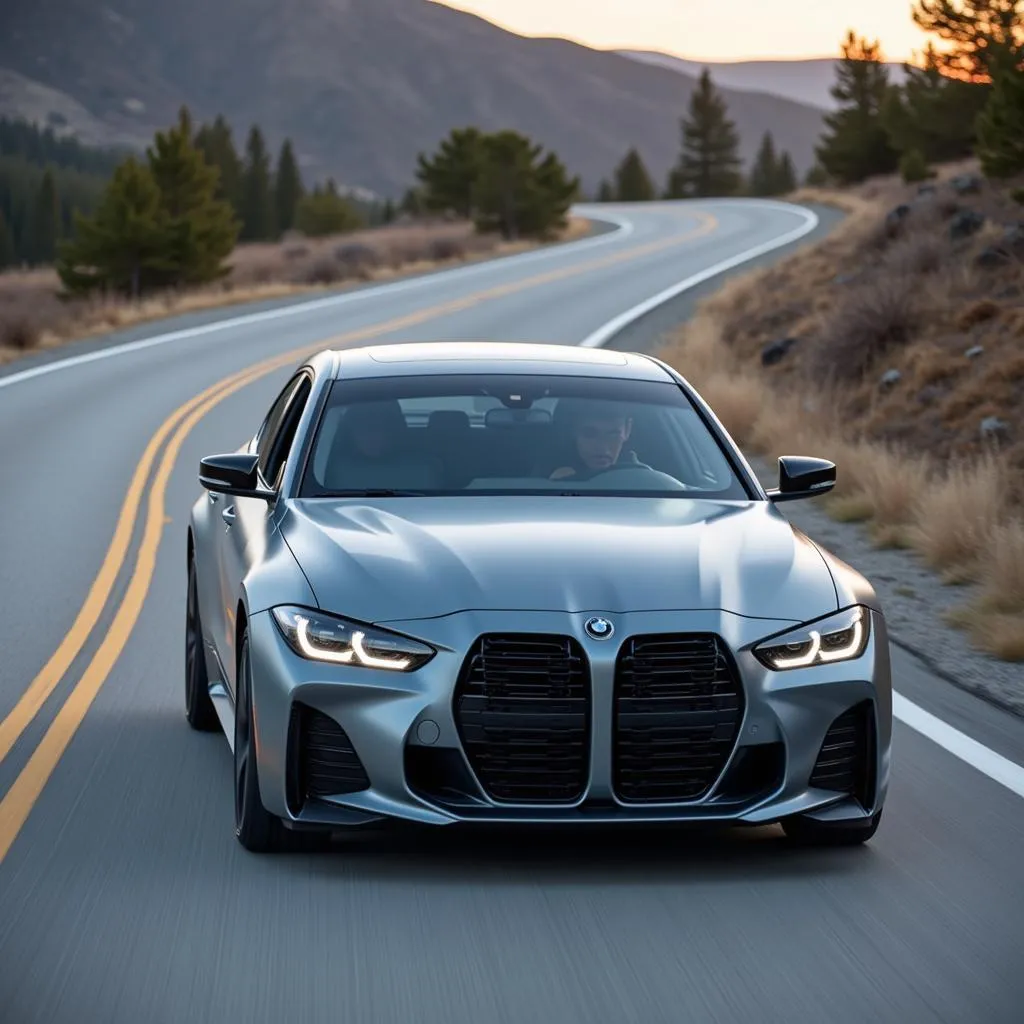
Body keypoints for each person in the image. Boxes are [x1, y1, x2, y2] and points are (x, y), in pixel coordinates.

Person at [545, 400, 642, 480]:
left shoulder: (643, 482)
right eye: (590, 435)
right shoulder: (539, 478)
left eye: (613, 435)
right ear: (573, 431)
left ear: (627, 430)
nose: (603, 448)